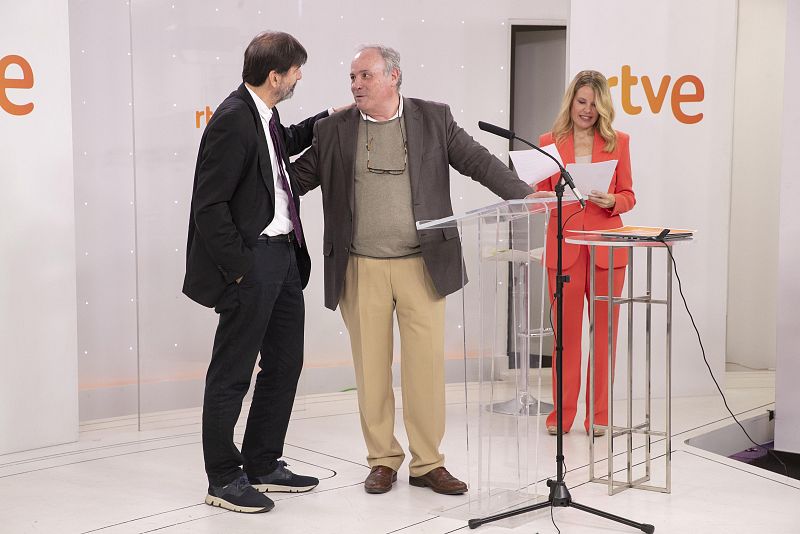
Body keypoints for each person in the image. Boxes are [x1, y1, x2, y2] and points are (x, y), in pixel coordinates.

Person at [292, 45, 535, 495]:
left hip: (423, 266)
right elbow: (295, 180)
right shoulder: (333, 130)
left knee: (425, 370)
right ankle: (382, 459)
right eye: (352, 78)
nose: (355, 85)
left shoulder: (433, 118)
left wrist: (521, 193)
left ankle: (428, 463)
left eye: (364, 76)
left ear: (393, 77)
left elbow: (477, 161)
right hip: (360, 267)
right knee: (372, 371)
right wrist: (248, 179)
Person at [182, 31, 332, 514]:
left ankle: (262, 462)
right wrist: (242, 270)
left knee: (286, 363)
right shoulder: (230, 120)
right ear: (276, 77)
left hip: (284, 258)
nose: (299, 78)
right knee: (232, 374)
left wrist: (325, 122)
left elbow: (279, 146)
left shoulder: (263, 113)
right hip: (252, 263)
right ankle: (223, 478)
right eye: (295, 72)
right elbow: (209, 207)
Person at [532, 70, 636, 436]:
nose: (587, 110)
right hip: (564, 250)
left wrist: (613, 200)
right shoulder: (549, 141)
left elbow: (629, 195)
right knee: (565, 338)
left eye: (594, 103)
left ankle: (600, 416)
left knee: (604, 336)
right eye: (581, 102)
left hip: (607, 251)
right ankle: (561, 415)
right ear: (571, 102)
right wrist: (538, 198)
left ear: (602, 106)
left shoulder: (618, 141)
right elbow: (537, 199)